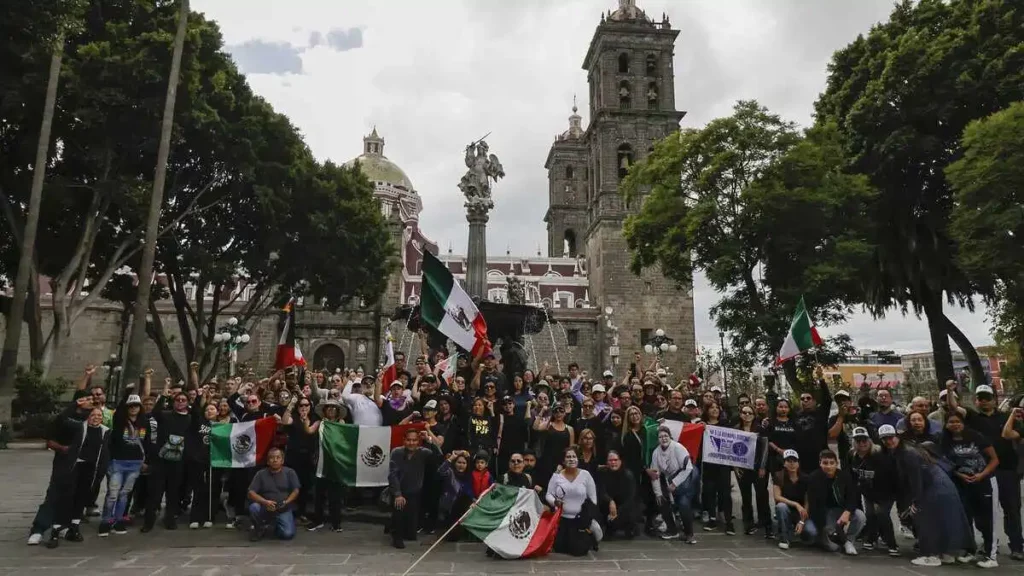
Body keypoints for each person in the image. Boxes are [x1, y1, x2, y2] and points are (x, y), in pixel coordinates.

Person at [880, 424, 974, 567]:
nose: (888, 441)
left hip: (933, 487)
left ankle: (931, 555)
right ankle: (944, 553)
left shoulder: (907, 453)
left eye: (891, 437)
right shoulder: (906, 450)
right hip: (942, 485)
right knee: (942, 521)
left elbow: (916, 479)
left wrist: (915, 501)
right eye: (884, 439)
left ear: (896, 436)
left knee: (925, 520)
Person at [964, 384, 1023, 560]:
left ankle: (1017, 545)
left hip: (1007, 469)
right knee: (985, 511)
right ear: (976, 400)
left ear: (994, 399)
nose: (983, 401)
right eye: (980, 398)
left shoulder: (1007, 417)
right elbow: (954, 408)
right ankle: (990, 543)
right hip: (984, 470)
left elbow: (1010, 435)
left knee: (1012, 509)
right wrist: (950, 390)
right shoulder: (972, 418)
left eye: (987, 398)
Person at [45, 404, 111, 548]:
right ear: (87, 416)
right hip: (74, 466)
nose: (96, 418)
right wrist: (75, 405)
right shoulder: (79, 427)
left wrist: (100, 472)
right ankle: (56, 531)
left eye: (99, 415)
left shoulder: (105, 431)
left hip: (90, 469)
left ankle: (74, 528)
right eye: (93, 415)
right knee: (66, 498)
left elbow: (105, 453)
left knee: (81, 497)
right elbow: (62, 419)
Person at [942, 411, 999, 568]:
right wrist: (959, 475)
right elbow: (946, 463)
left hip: (984, 482)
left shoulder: (976, 436)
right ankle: (970, 551)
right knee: (967, 518)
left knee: (987, 520)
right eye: (951, 422)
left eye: (957, 421)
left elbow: (994, 459)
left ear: (963, 423)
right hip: (963, 484)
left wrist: (982, 475)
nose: (955, 424)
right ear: (946, 425)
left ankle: (991, 555)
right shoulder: (945, 441)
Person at [100, 375, 152, 537]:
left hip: (135, 463)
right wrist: (127, 393)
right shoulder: (120, 421)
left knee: (124, 494)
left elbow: (148, 442)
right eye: (131, 406)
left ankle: (119, 520)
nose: (134, 408)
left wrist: (146, 461)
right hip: (118, 462)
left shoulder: (144, 422)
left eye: (137, 406)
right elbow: (120, 410)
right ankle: (106, 521)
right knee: (112, 493)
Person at [144, 383, 193, 532]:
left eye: (184, 400)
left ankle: (170, 518)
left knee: (173, 492)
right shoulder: (165, 415)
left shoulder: (190, 419)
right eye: (178, 400)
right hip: (161, 459)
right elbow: (155, 411)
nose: (180, 402)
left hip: (178, 461)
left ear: (187, 403)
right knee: (155, 492)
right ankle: (149, 521)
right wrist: (164, 394)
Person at [848, 426, 899, 556]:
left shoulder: (880, 455)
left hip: (886, 491)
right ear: (854, 442)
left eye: (864, 440)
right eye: (858, 440)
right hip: (868, 491)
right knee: (869, 515)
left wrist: (878, 500)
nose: (862, 443)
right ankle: (871, 538)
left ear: (869, 440)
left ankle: (892, 544)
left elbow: (888, 479)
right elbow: (851, 476)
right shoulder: (852, 456)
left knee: (881, 513)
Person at [806, 449, 864, 555]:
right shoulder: (813, 478)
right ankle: (828, 538)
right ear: (820, 463)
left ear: (836, 463)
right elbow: (814, 506)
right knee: (832, 547)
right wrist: (824, 526)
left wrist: (847, 512)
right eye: (825, 463)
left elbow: (852, 498)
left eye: (832, 463)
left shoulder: (844, 476)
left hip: (841, 509)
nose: (828, 466)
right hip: (825, 513)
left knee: (860, 516)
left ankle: (849, 541)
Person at [387, 428, 436, 549]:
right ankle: (396, 537)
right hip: (399, 490)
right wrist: (398, 494)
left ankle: (397, 528)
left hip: (415, 492)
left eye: (414, 440)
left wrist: (429, 441)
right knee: (398, 511)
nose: (411, 443)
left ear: (418, 441)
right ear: (404, 440)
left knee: (411, 533)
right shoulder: (396, 452)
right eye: (409, 440)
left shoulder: (424, 452)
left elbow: (438, 455)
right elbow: (392, 474)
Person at [649, 426, 699, 544]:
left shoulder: (678, 447)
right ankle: (672, 530)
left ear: (670, 436)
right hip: (669, 478)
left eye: (665, 436)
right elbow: (655, 475)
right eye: (660, 437)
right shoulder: (656, 453)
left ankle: (689, 534)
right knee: (661, 500)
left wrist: (675, 483)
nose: (663, 438)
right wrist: (658, 493)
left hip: (688, 475)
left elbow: (688, 468)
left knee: (683, 502)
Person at [546, 447, 599, 556]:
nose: (571, 459)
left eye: (574, 456)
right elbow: (548, 494)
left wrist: (588, 516)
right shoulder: (556, 476)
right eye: (568, 457)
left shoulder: (586, 475)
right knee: (559, 548)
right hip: (562, 519)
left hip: (580, 520)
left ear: (578, 459)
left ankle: (591, 535)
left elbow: (593, 498)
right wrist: (554, 502)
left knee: (578, 550)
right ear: (563, 461)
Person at [247, 448, 300, 541]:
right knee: (254, 507)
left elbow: (296, 491)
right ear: (268, 461)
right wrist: (265, 502)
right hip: (265, 507)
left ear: (282, 460)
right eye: (272, 458)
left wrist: (286, 502)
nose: (275, 460)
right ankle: (259, 528)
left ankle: (276, 527)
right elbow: (251, 492)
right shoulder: (260, 474)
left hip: (283, 508)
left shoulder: (290, 473)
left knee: (288, 534)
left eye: (278, 457)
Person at [735, 403, 771, 538]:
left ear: (754, 415)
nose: (747, 415)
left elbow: (765, 448)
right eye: (744, 412)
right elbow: (732, 452)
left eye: (750, 413)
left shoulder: (760, 429)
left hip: (757, 467)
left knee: (762, 494)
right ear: (740, 414)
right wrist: (736, 467)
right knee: (746, 497)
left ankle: (765, 522)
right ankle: (748, 523)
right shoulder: (736, 429)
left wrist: (762, 466)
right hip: (742, 468)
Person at [700, 403, 734, 534]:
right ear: (707, 410)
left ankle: (729, 522)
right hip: (708, 464)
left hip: (723, 464)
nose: (714, 409)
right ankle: (712, 519)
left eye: (717, 408)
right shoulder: (701, 425)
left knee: (725, 493)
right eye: (711, 407)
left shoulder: (725, 424)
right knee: (709, 491)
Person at [772, 450, 814, 549]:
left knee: (811, 533)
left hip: (801, 512)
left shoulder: (805, 478)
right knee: (781, 506)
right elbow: (777, 496)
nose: (792, 464)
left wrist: (802, 521)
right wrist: (795, 504)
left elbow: (808, 500)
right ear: (784, 463)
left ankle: (796, 529)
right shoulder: (779, 476)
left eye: (794, 461)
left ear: (798, 463)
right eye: (789, 461)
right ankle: (784, 537)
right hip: (786, 509)